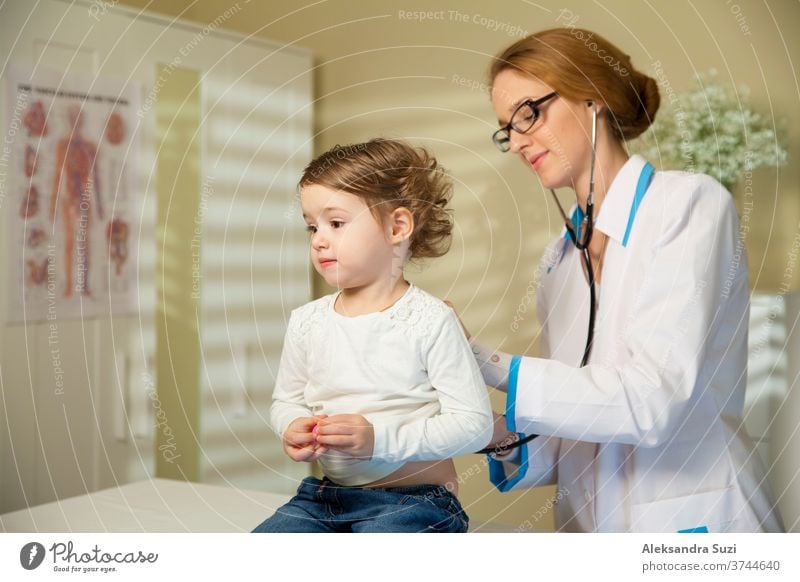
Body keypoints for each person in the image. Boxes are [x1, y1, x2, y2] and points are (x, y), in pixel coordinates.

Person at [457, 28, 784, 532]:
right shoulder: (559, 260)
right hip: (593, 526)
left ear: (592, 96)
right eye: (507, 129)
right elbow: (579, 425)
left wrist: (487, 362)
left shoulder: (688, 206)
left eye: (528, 114)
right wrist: (467, 416)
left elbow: (649, 401)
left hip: (696, 521)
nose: (518, 142)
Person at [252, 139, 493, 533]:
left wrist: (378, 439)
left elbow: (474, 424)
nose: (318, 239)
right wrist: (293, 425)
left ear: (397, 227)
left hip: (414, 501)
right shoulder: (307, 321)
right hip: (326, 498)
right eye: (312, 226)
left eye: (336, 223)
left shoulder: (429, 320)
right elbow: (286, 400)